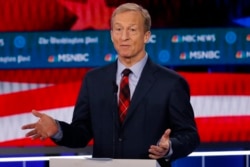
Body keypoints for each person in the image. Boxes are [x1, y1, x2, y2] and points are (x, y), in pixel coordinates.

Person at [22, 2, 200, 167]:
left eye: (132, 30)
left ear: (146, 36)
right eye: (118, 29)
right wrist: (58, 129)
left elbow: (190, 136)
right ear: (111, 35)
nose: (124, 37)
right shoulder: (94, 80)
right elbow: (81, 134)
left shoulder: (171, 83)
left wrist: (169, 148)